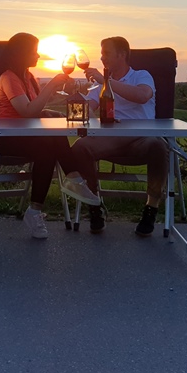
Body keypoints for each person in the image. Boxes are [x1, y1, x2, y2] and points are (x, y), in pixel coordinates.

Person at [0, 32, 100, 239]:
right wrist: (52, 85)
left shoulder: (28, 77)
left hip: (25, 135)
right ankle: (74, 180)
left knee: (48, 145)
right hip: (3, 136)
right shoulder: (8, 78)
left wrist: (47, 113)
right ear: (22, 53)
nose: (38, 55)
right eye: (34, 51)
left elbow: (33, 109)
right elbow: (26, 112)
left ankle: (36, 209)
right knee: (48, 143)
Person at [77, 36, 169, 236]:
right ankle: (94, 205)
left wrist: (105, 81)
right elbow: (86, 111)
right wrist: (74, 95)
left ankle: (151, 208)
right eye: (101, 54)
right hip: (110, 141)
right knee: (80, 147)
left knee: (158, 146)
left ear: (122, 54)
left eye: (106, 53)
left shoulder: (141, 76)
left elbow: (142, 96)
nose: (102, 58)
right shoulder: (98, 86)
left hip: (141, 139)